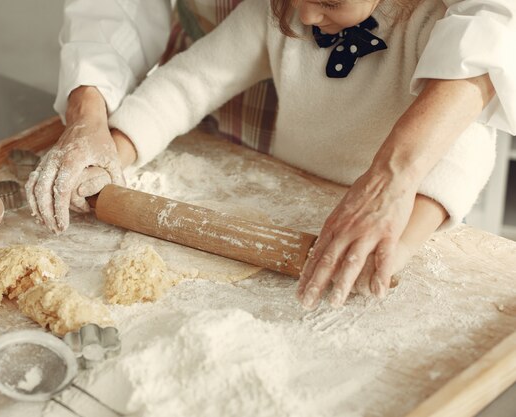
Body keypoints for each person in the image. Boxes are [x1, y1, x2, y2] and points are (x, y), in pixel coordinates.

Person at [27, 0, 515, 309]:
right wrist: (114, 148)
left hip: (386, 219)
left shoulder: (433, 30)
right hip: (286, 198)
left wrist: (398, 246)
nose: (303, 15)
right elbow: (188, 84)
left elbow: (461, 154)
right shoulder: (275, 10)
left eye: (327, 1)